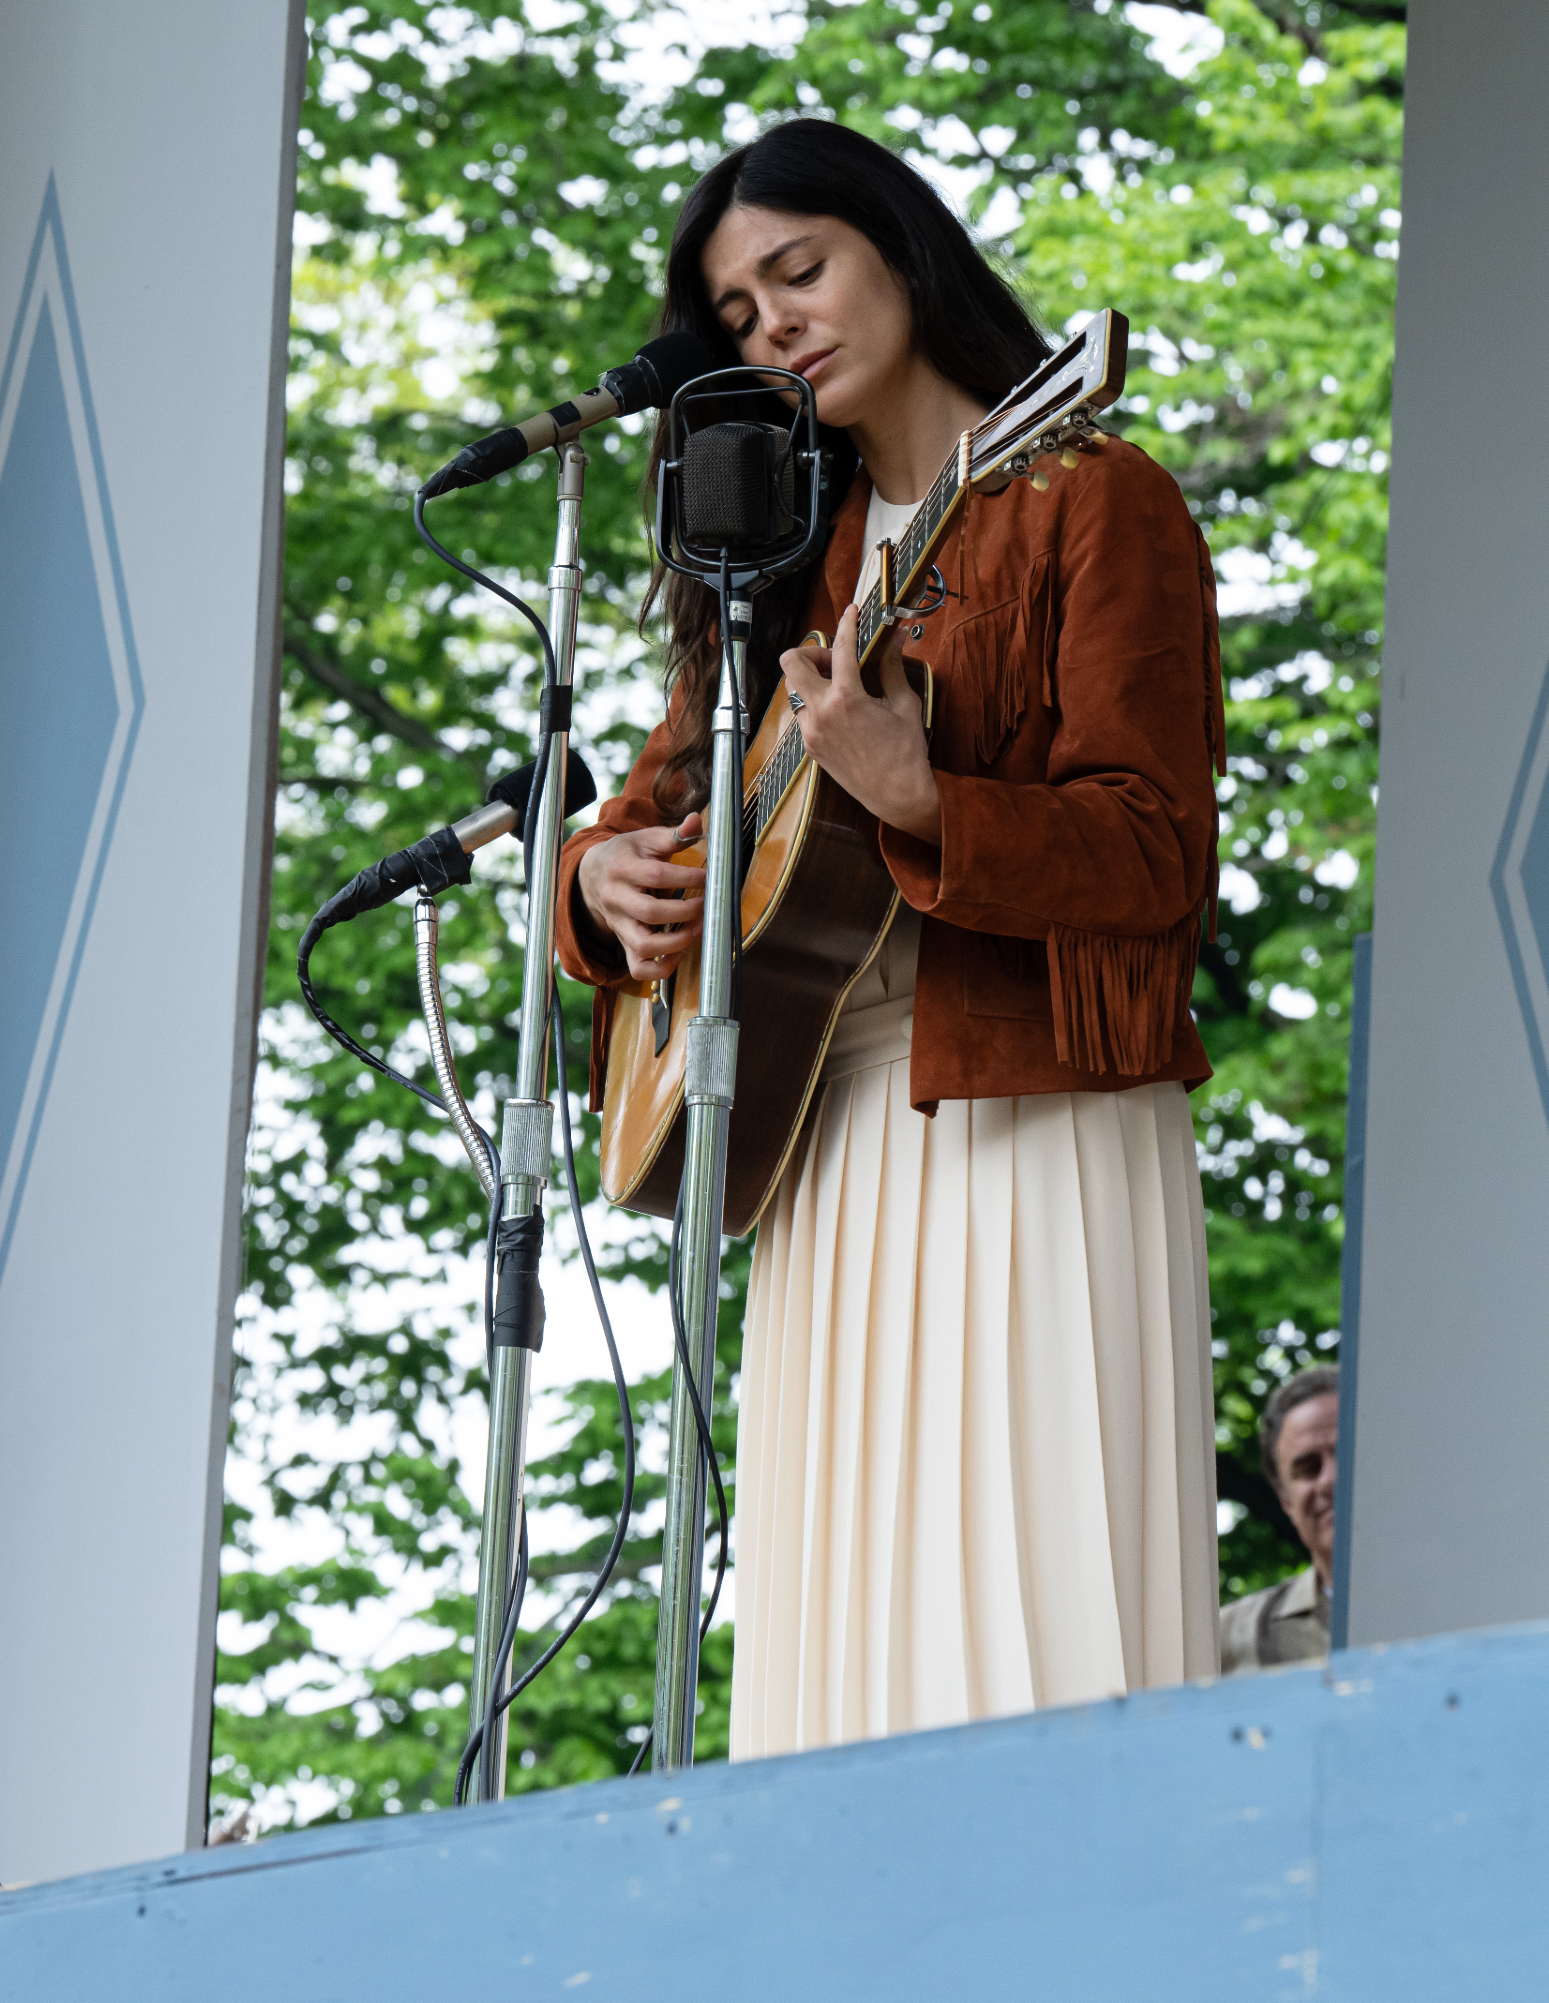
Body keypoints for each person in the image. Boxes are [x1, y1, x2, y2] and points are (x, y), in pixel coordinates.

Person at [556, 118, 1225, 1754]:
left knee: (1031, 1628)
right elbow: (642, 819)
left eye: (801, 270)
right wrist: (594, 891)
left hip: (1032, 1120)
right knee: (838, 1635)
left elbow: (1158, 856)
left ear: (901, 254)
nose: (771, 323)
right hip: (821, 1142)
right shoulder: (772, 568)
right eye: (734, 312)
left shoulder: (1095, 501)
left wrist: (924, 797)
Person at [1220, 1367, 1337, 1673]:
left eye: (1348, 1454)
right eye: (1309, 1468)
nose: (1330, 1480)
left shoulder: (1467, 1604)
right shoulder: (1223, 1642)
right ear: (1286, 1501)